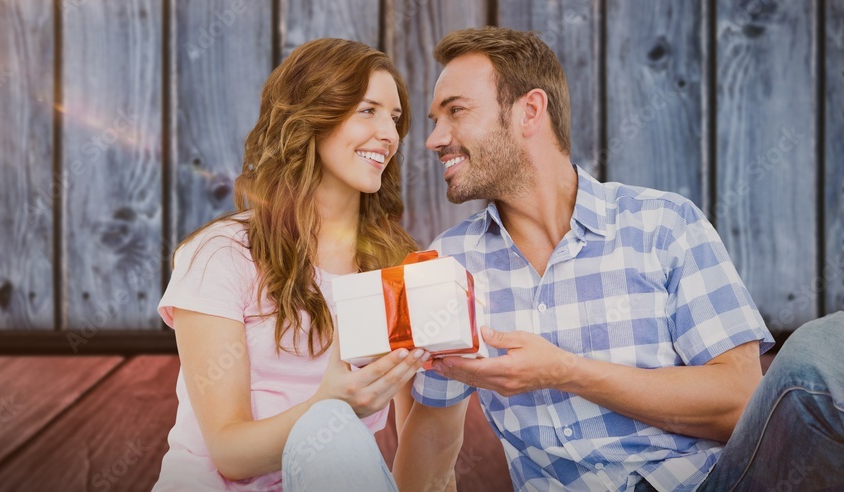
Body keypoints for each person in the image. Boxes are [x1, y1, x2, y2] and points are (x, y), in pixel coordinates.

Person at [285, 26, 844, 492]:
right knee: (331, 437)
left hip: (712, 484)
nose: (432, 139)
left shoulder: (664, 224)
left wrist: (563, 372)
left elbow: (742, 401)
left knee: (821, 348)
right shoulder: (448, 265)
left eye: (454, 111)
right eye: (433, 120)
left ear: (530, 111)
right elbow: (432, 444)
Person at [151, 38, 429, 491]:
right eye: (367, 110)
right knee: (335, 432)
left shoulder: (391, 263)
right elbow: (228, 453)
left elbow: (420, 441)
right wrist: (330, 405)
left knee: (341, 441)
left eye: (395, 118)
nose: (389, 134)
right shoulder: (220, 254)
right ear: (312, 118)